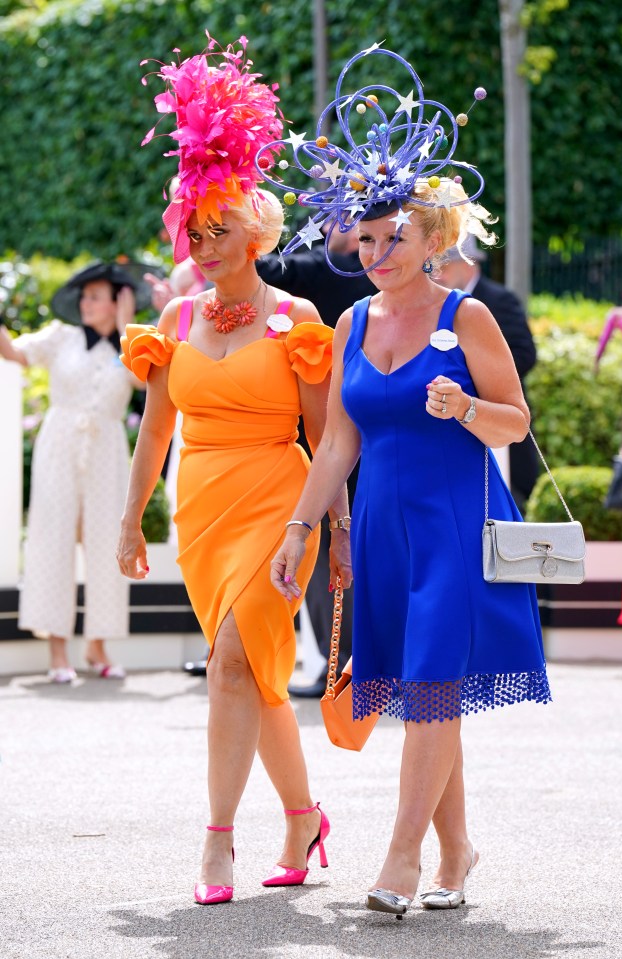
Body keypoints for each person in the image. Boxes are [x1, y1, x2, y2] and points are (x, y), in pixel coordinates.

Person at [262, 45, 550, 917]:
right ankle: (456, 848)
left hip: (456, 519)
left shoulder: (467, 315)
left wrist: (464, 404)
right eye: (368, 237)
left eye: (396, 238)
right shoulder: (350, 320)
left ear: (434, 240)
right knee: (424, 689)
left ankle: (400, 852)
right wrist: (301, 528)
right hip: (383, 525)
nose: (378, 251)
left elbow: (517, 420)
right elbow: (339, 442)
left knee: (429, 678)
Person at [115, 36, 351, 906]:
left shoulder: (297, 319)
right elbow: (153, 434)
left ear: (256, 230)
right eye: (194, 231)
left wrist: (334, 532)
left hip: (277, 502)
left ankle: (216, 842)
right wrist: (129, 519)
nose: (206, 244)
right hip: (201, 505)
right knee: (250, 672)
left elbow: (329, 441)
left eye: (221, 231)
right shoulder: (173, 319)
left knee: (226, 664)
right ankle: (304, 817)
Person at [0, 260, 153, 682]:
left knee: (108, 542)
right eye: (84, 296)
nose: (86, 303)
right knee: (53, 539)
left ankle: (98, 647)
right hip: (59, 444)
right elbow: (14, 352)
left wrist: (126, 326)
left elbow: (145, 379)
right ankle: (57, 654)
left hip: (106, 450)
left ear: (118, 301)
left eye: (96, 296)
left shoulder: (131, 344)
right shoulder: (60, 337)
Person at [257, 226, 375, 696]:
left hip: (339, 436)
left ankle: (344, 670)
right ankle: (344, 668)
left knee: (337, 554)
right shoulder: (372, 275)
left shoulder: (325, 271)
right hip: (340, 433)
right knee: (335, 554)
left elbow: (263, 268)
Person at [433, 237, 538, 511]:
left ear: (468, 263)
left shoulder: (498, 300)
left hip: (496, 422)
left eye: (444, 265)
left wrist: (477, 373)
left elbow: (525, 354)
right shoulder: (433, 306)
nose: (437, 273)